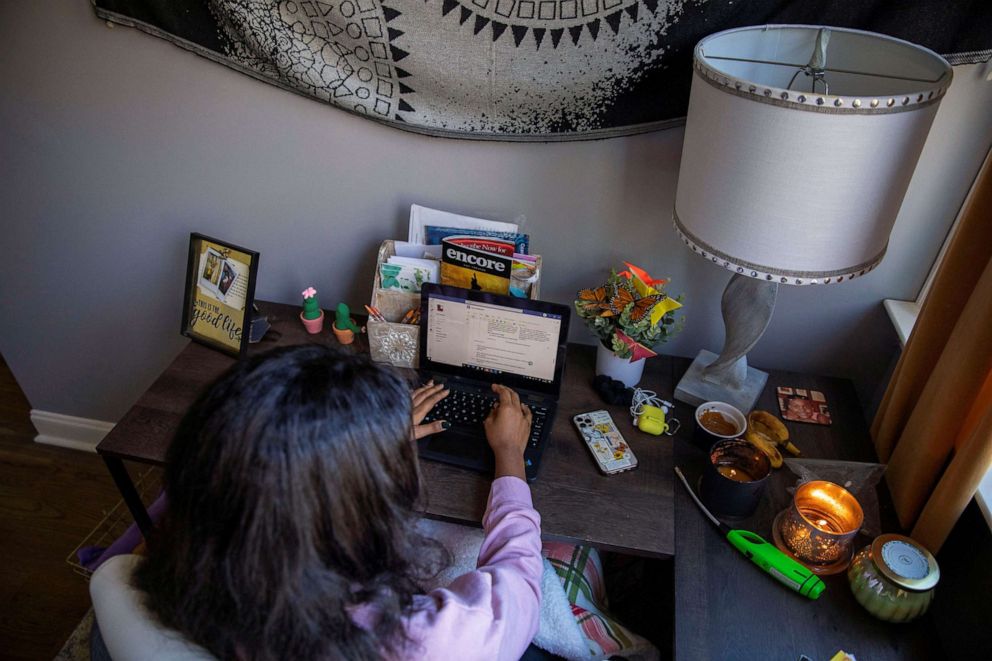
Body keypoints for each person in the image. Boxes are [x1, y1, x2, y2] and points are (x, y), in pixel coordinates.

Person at [89, 345, 542, 660]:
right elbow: (519, 584)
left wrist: (360, 446)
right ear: (346, 515)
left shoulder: (177, 554)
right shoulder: (423, 641)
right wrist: (508, 454)